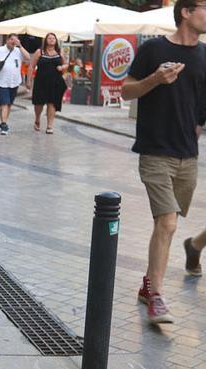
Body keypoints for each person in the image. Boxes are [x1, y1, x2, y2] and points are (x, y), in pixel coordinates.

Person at [122, 0, 206, 324]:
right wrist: (155, 79)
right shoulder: (153, 50)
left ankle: (147, 286)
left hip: (188, 157)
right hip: (155, 153)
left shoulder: (203, 57)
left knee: (167, 228)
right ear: (186, 12)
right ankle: (156, 296)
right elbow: (127, 91)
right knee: (167, 223)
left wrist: (195, 129)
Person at [0, 34, 30, 135]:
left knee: (9, 103)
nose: (13, 41)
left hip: (15, 82)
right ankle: (4, 124)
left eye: (15, 40)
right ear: (7, 40)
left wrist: (21, 46)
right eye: (11, 39)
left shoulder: (18, 51)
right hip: (2, 82)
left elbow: (28, 58)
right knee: (4, 103)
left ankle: (4, 120)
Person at [27, 33, 67, 134]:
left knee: (52, 103)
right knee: (38, 103)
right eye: (49, 38)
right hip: (41, 81)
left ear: (56, 40)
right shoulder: (39, 52)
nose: (51, 40)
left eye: (53, 38)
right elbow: (32, 66)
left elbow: (66, 64)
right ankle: (37, 119)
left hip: (55, 81)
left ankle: (49, 125)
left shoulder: (59, 51)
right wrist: (29, 80)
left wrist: (62, 67)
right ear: (45, 40)